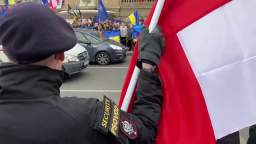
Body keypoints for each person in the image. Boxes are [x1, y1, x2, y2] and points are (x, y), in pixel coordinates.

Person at [0, 2, 164, 144]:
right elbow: (144, 133)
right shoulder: (88, 115)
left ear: (6, 51)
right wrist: (148, 66)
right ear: (61, 55)